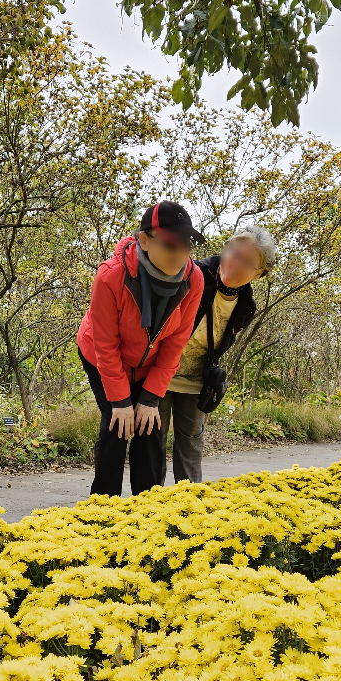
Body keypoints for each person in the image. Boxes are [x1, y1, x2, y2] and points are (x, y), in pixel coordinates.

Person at [76, 201, 204, 496]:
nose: (180, 254)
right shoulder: (111, 275)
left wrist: (150, 398)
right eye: (171, 245)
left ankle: (147, 508)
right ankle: (102, 510)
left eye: (186, 245)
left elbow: (176, 343)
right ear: (146, 240)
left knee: (149, 426)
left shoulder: (193, 279)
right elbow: (105, 346)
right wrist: (121, 402)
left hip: (151, 362)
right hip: (101, 356)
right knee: (117, 426)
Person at [159, 225, 276, 485]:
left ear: (258, 274)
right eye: (234, 251)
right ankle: (148, 508)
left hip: (195, 382)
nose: (235, 262)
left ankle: (190, 508)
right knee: (153, 444)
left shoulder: (246, 306)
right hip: (159, 374)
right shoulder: (193, 274)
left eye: (247, 261)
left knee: (191, 448)